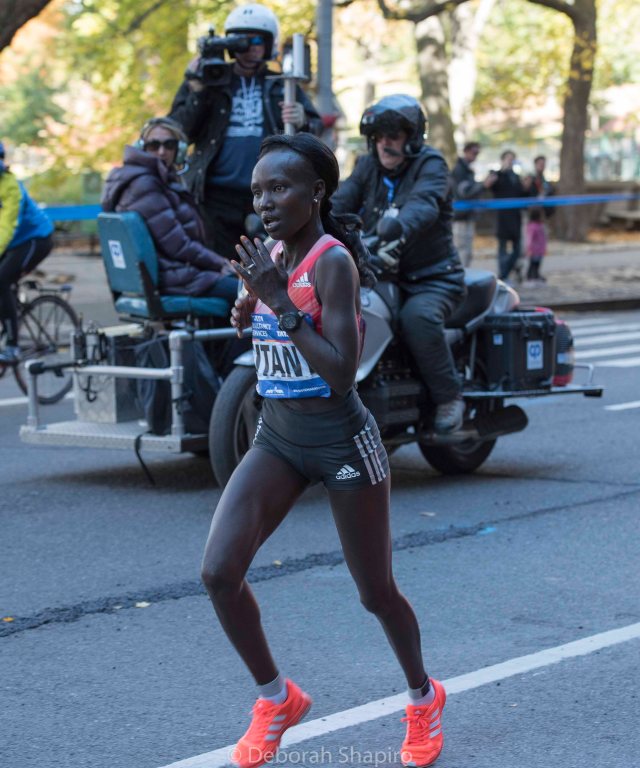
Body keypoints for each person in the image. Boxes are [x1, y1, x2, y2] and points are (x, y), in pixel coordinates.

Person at [201, 133, 447, 768]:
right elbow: (268, 330)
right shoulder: (272, 253)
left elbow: (341, 371)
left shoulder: (333, 261)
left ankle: (423, 697)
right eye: (258, 191)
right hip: (279, 437)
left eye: (279, 188)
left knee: (375, 593)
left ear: (316, 192)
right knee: (219, 573)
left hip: (342, 440)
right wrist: (248, 305)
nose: (266, 202)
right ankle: (275, 699)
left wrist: (278, 300)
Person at [332, 94, 466, 434]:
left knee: (416, 319)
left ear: (412, 138)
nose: (384, 143)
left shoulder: (431, 165)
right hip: (380, 273)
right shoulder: (367, 166)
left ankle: (449, 397)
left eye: (393, 135)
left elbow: (422, 206)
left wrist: (397, 232)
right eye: (378, 136)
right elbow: (340, 201)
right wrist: (300, 220)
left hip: (432, 278)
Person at [169, 3, 322, 259]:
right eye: (241, 41)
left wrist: (303, 119)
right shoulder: (209, 79)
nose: (250, 47)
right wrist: (197, 89)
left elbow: (316, 133)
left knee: (271, 261)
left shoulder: (282, 83)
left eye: (257, 40)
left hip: (271, 195)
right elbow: (178, 131)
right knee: (220, 265)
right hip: (215, 196)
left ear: (269, 42)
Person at [101, 116, 238, 304]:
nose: (161, 151)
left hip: (176, 274)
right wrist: (220, 263)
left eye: (169, 145)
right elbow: (178, 244)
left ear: (179, 150)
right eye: (153, 145)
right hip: (175, 279)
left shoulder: (157, 180)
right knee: (249, 293)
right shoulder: (145, 185)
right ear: (142, 147)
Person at [0, 141, 54, 364]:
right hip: (12, 242)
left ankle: (12, 346)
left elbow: (7, 226)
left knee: (1, 280)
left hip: (35, 239)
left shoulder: (10, 186)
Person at [486, 149, 527, 282]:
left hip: (515, 217)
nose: (510, 161)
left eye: (512, 159)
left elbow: (522, 194)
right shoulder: (497, 175)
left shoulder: (516, 177)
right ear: (502, 160)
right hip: (502, 217)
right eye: (508, 158)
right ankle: (503, 274)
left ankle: (507, 271)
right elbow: (489, 187)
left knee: (517, 249)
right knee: (502, 248)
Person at [451, 141, 493, 267]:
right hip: (460, 216)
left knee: (466, 251)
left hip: (467, 215)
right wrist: (483, 185)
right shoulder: (460, 170)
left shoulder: (467, 170)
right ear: (466, 151)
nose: (476, 156)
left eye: (477, 153)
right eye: (474, 152)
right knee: (462, 250)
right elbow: (465, 193)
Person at [525, 207, 547, 282]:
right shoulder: (532, 226)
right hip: (534, 249)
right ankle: (530, 277)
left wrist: (544, 248)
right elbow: (530, 238)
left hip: (540, 249)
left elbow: (543, 238)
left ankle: (536, 275)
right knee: (532, 264)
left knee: (538, 264)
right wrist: (529, 248)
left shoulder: (540, 225)